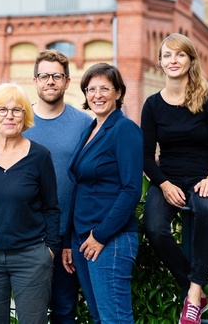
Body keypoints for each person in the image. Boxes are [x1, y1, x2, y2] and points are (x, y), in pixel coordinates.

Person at [0, 82, 60, 324]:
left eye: (17, 110)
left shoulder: (40, 155)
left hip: (31, 256)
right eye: (2, 110)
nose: (9, 116)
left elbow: (51, 207)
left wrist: (50, 250)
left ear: (25, 116)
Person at [141, 33, 208, 324]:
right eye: (167, 56)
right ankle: (195, 290)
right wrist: (162, 183)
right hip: (169, 177)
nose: (173, 61)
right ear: (160, 63)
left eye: (179, 55)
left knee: (207, 209)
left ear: (190, 60)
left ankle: (192, 297)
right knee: (153, 227)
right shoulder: (152, 105)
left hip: (204, 177)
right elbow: (146, 156)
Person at [67, 63, 143, 323]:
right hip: (82, 238)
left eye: (104, 88)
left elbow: (131, 189)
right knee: (100, 318)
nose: (97, 95)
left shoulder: (124, 129)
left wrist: (100, 235)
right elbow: (80, 186)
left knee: (115, 319)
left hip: (110, 238)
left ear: (119, 93)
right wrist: (71, 239)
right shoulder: (91, 129)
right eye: (91, 89)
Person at [22, 49, 93, 324]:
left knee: (65, 311)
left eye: (56, 76)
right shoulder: (19, 121)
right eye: (44, 76)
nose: (50, 81)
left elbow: (88, 181)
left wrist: (70, 238)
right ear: (35, 80)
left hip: (68, 236)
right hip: (26, 236)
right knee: (30, 311)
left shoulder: (85, 124)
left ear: (66, 81)